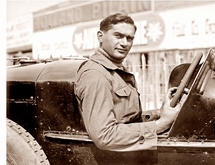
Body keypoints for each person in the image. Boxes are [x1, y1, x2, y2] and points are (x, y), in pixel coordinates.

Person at [74, 13, 181, 152]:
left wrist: (160, 113)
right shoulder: (96, 75)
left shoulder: (117, 70)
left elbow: (126, 120)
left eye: (129, 38)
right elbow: (105, 136)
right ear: (100, 36)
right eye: (118, 36)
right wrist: (161, 124)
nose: (124, 43)